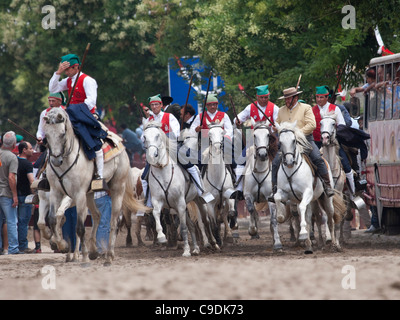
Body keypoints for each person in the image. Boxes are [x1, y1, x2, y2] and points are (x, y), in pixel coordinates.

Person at [48, 53, 108, 189]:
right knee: (53, 137)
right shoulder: (68, 80)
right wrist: (58, 72)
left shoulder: (88, 80)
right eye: (65, 70)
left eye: (68, 69)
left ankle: (99, 174)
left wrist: (73, 110)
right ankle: (45, 173)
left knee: (95, 144)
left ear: (77, 67)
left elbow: (91, 101)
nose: (66, 72)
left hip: (86, 117)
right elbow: (52, 89)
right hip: (71, 117)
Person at [141, 94, 212, 206]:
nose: (154, 107)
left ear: (161, 105)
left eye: (156, 104)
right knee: (143, 177)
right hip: (155, 151)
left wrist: (163, 136)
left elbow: (176, 133)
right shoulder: (148, 120)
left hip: (172, 147)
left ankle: (202, 192)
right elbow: (143, 137)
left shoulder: (169, 117)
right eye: (152, 105)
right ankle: (147, 202)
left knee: (191, 167)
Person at [271, 87, 335, 198]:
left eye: (289, 99)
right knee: (275, 162)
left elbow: (312, 125)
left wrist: (297, 133)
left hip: (305, 140)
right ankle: (274, 189)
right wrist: (276, 128)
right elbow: (277, 124)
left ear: (295, 98)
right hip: (287, 144)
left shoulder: (306, 108)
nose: (286, 101)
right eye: (285, 99)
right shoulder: (281, 110)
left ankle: (327, 186)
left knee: (317, 158)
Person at [233, 84, 280, 196]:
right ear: (257, 97)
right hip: (253, 139)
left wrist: (276, 127)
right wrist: (237, 121)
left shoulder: (274, 108)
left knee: (280, 160)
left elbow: (279, 123)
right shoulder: (250, 107)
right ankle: (239, 188)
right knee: (240, 160)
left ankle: (278, 186)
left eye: (266, 97)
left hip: (270, 140)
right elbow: (237, 118)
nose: (264, 100)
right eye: (261, 97)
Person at [312, 86, 355, 196]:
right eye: (317, 97)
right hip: (317, 142)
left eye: (321, 97)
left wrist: (334, 127)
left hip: (333, 143)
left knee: (346, 164)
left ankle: (352, 192)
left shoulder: (334, 108)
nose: (319, 99)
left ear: (327, 97)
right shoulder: (312, 110)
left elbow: (342, 125)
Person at [0, 131, 24, 254]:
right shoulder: (12, 157)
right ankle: (13, 248)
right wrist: (15, 195)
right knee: (11, 220)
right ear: (14, 144)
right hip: (6, 193)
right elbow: (11, 177)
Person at [16, 141, 35, 253]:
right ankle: (22, 245)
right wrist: (34, 194)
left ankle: (11, 244)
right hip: (24, 195)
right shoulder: (27, 164)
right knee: (23, 222)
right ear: (24, 150)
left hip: (13, 194)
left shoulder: (15, 160)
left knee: (13, 221)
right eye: (30, 148)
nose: (32, 150)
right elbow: (31, 181)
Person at [91, 191, 112, 255]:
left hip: (91, 198)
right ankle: (101, 249)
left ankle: (95, 246)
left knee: (95, 224)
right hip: (102, 196)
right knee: (104, 224)